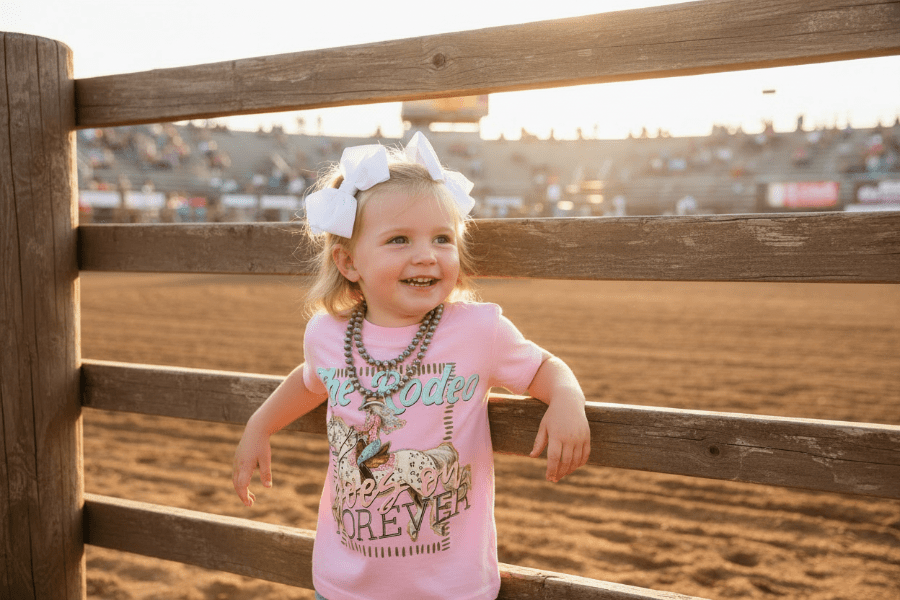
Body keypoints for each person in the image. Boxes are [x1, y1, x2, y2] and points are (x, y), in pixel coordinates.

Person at [232, 132, 591, 600]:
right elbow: (308, 384)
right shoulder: (326, 334)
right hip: (344, 583)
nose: (426, 254)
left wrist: (566, 397)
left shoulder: (479, 330)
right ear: (348, 261)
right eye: (399, 239)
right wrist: (260, 424)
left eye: (442, 238)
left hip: (451, 587)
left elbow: (545, 367)